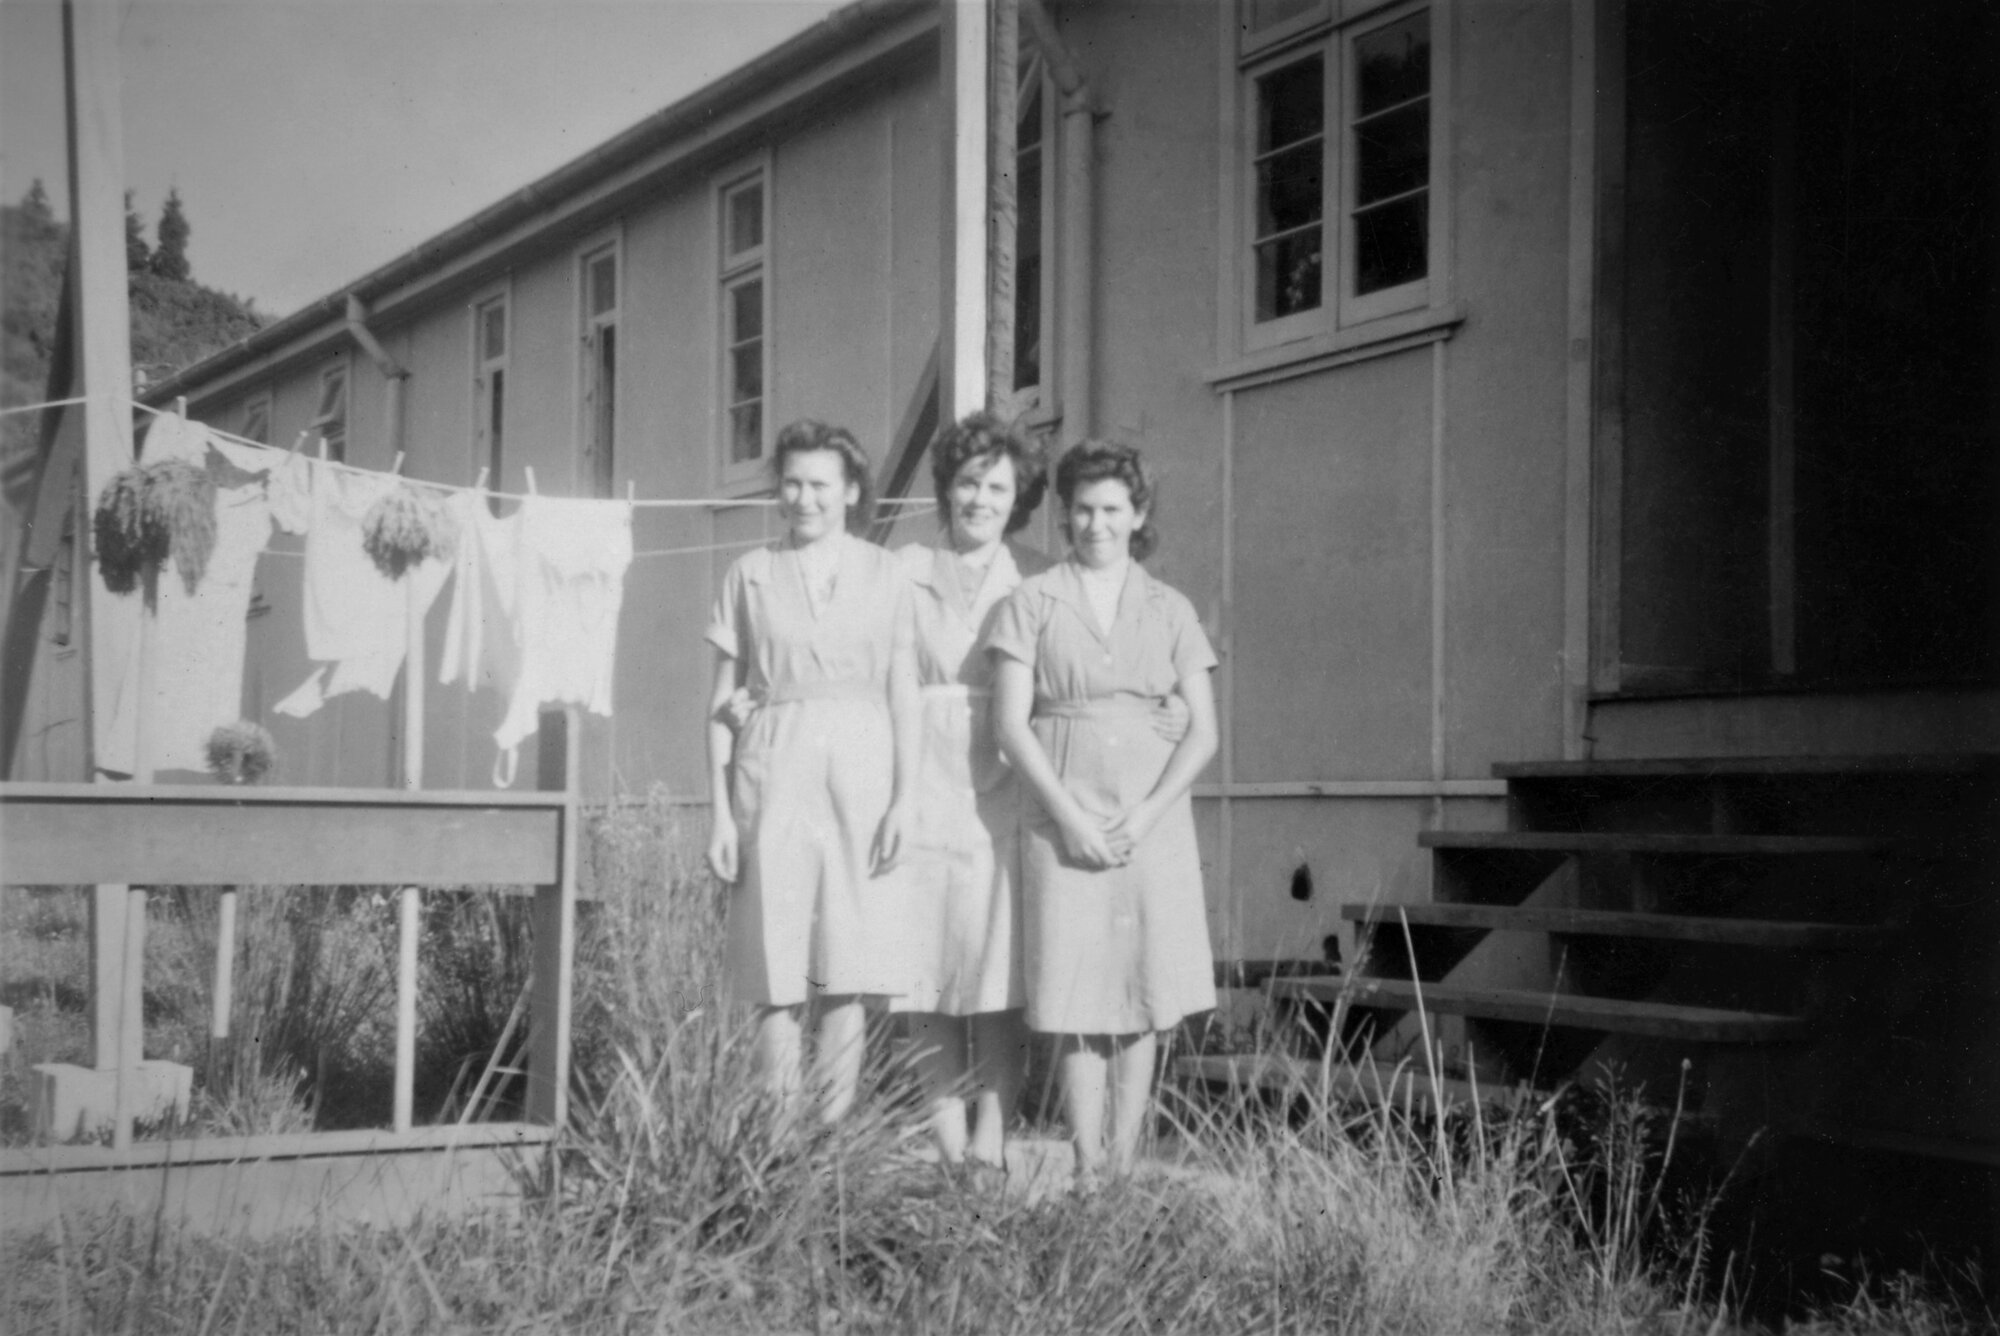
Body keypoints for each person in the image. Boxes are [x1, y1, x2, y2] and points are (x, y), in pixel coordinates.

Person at [987, 439, 1219, 1185]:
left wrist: (1148, 815)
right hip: (1063, 816)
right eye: (1082, 509)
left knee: (1143, 986)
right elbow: (1010, 725)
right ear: (1064, 514)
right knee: (1077, 987)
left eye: (1111, 509)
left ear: (1138, 514)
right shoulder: (1031, 601)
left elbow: (1205, 730)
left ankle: (1122, 1162)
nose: (1095, 524)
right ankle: (1086, 1163)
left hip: (1150, 821)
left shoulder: (1169, 606)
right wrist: (1069, 818)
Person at [705, 419, 919, 1126]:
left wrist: (903, 800)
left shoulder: (887, 574)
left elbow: (903, 694)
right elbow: (718, 704)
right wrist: (720, 816)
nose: (803, 498)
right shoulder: (751, 573)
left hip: (863, 768)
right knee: (775, 962)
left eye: (820, 484)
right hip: (777, 763)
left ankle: (830, 1146)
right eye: (791, 482)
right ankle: (774, 1141)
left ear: (851, 490)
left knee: (849, 965)